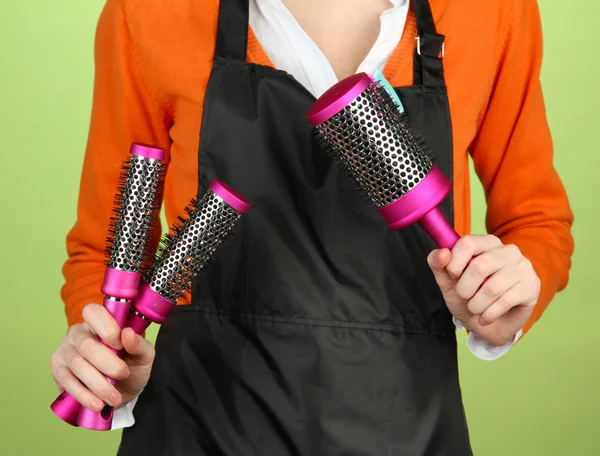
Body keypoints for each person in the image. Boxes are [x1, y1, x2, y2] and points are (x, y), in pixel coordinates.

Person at [50, 0, 574, 454]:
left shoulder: (491, 12)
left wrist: (506, 302)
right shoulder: (153, 12)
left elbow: (536, 222)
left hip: (405, 428)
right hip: (200, 425)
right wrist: (109, 361)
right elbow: (106, 247)